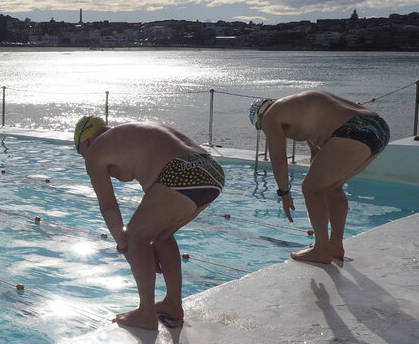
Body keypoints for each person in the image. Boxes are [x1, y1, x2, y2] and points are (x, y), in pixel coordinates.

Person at [74, 116, 225, 330]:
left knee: (135, 236)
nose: (86, 161)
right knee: (162, 236)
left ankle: (146, 314)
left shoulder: (96, 149)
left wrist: (124, 244)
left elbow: (108, 207)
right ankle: (173, 305)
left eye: (82, 154)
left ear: (86, 141)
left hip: (183, 173)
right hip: (212, 170)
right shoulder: (131, 132)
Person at [249, 91, 390, 264]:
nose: (263, 130)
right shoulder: (298, 109)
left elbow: (279, 159)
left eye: (258, 126)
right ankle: (335, 246)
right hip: (379, 128)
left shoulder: (270, 116)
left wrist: (284, 194)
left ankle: (321, 249)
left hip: (352, 130)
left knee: (310, 188)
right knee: (332, 187)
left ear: (260, 116)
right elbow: (317, 154)